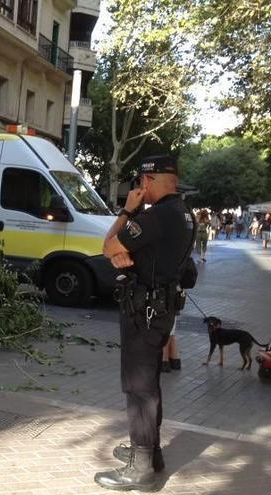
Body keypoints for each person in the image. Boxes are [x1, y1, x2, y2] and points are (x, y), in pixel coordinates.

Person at [95, 155, 194, 491]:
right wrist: (126, 252)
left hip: (145, 311)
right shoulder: (185, 213)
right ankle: (151, 454)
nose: (140, 190)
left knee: (138, 389)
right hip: (161, 308)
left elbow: (108, 245)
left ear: (148, 181)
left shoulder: (157, 216)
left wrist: (127, 212)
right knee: (148, 384)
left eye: (140, 184)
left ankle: (141, 469)